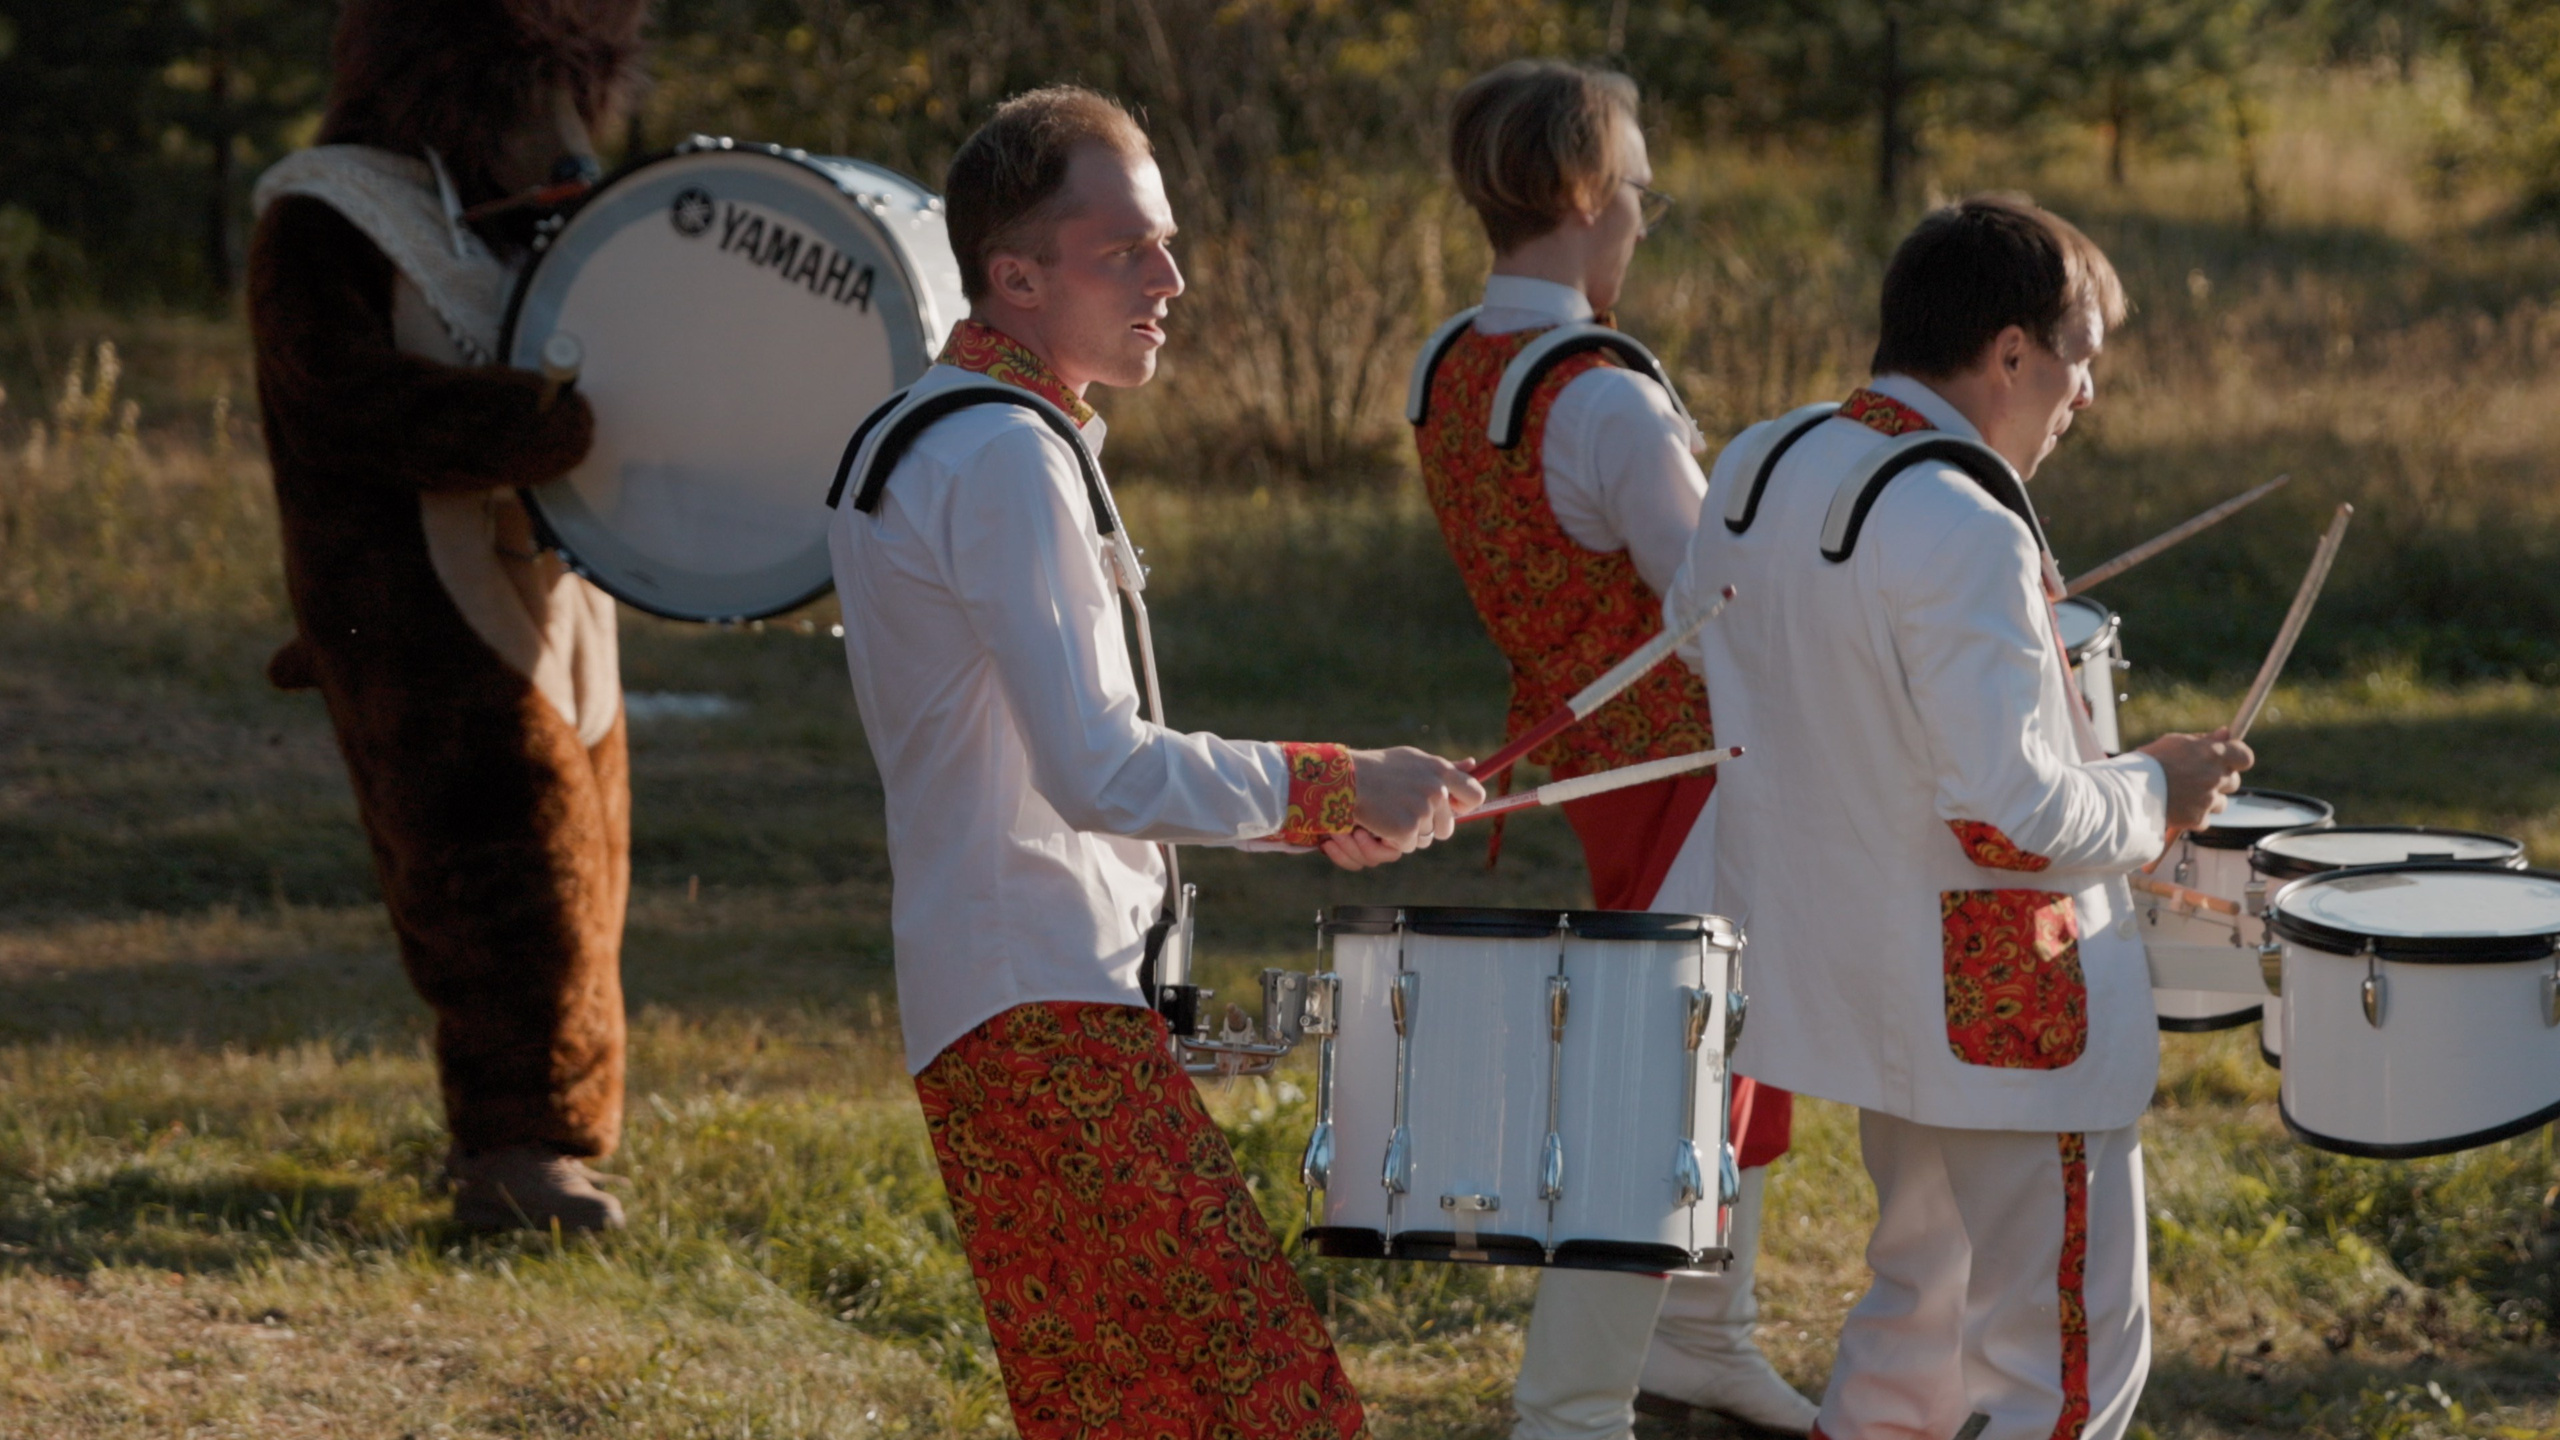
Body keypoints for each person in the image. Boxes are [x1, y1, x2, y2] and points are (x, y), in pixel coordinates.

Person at [825, 86, 1484, 1440]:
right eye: (1125, 249)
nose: (1171, 279)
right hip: (1042, 1003)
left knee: (1127, 1408)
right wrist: (1335, 785)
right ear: (1014, 275)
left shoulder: (966, 428)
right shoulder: (1002, 453)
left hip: (1015, 996)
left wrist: (1308, 821)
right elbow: (1098, 773)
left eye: (1167, 243)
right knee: (1261, 1401)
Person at [1665, 195, 2253, 1440]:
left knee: (1909, 1334)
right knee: (2059, 1373)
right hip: (2005, 1013)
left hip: (1850, 980)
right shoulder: (1965, 520)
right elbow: (2011, 815)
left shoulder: (1760, 462)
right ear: (2009, 352)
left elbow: (1701, 650)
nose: (2084, 395)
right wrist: (2158, 789)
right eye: (2079, 359)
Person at [1407, 59, 1813, 1440]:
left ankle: (1703, 1339)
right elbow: (1720, 618)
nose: (1644, 216)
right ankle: (1571, 1408)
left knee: (1724, 1049)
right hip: (1687, 771)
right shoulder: (1609, 398)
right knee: (1667, 1089)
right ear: (1582, 196)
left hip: (1589, 757)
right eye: (1637, 190)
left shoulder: (1450, 368)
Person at [247, 0, 645, 1232]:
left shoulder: (520, 217)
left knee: (591, 859)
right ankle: (511, 1149)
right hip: (417, 601)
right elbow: (344, 406)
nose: (564, 139)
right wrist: (524, 429)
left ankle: (561, 1129)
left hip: (550, 592)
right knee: (499, 862)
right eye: (535, 96)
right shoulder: (327, 212)